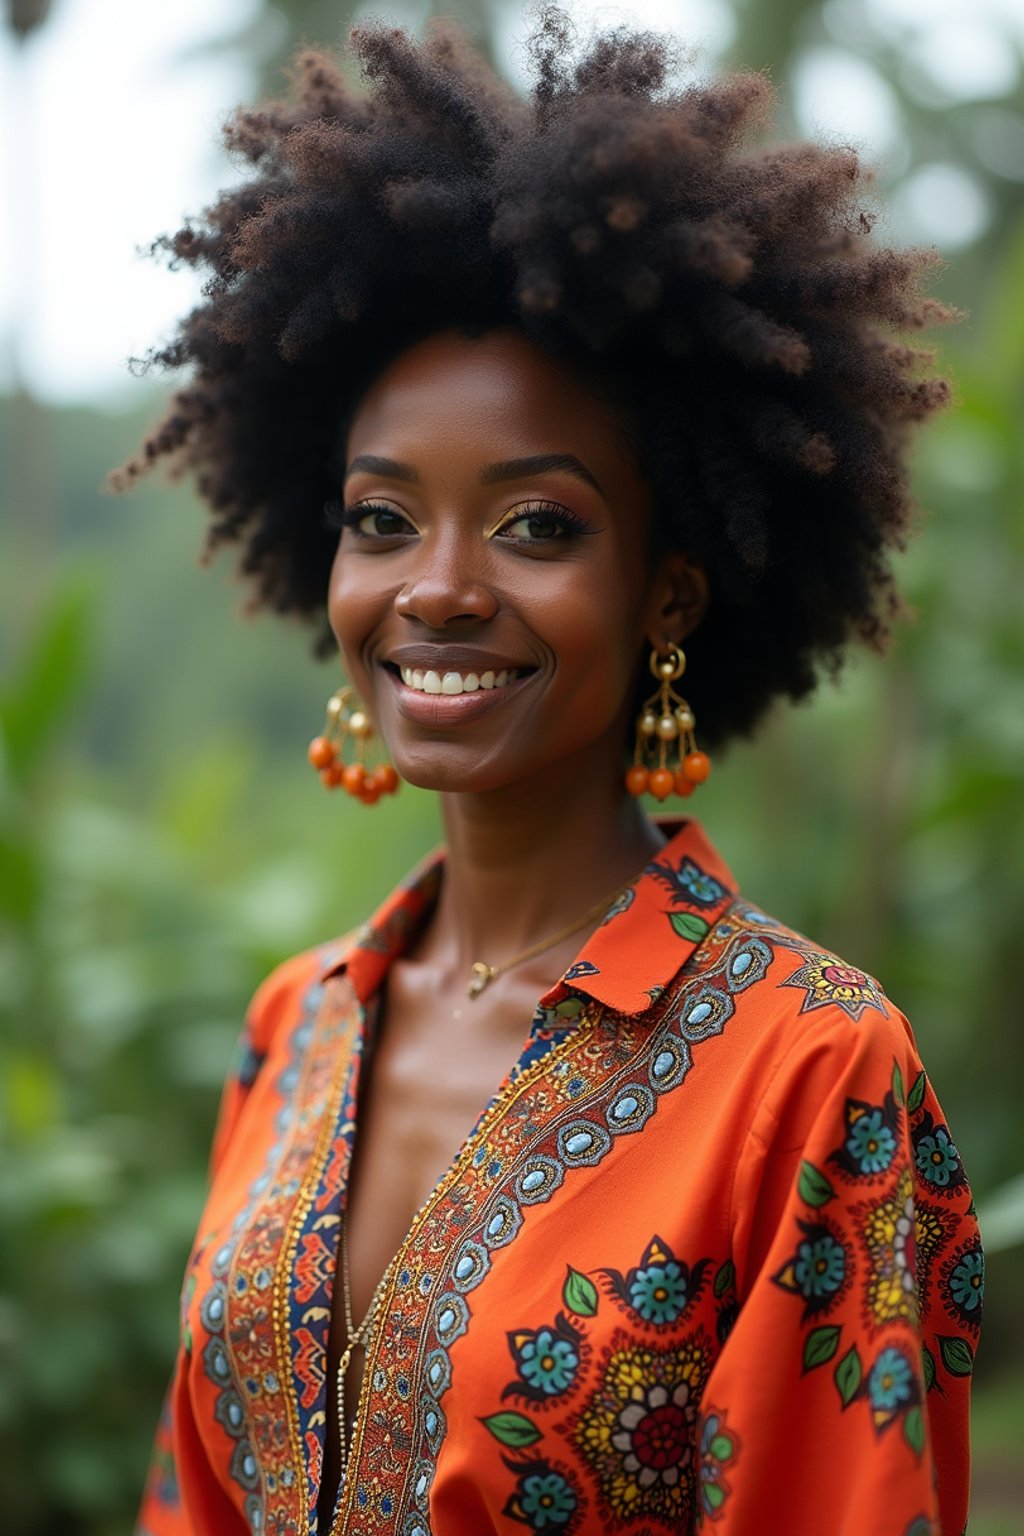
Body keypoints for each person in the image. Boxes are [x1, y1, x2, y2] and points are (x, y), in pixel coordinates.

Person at [121, 11, 981, 1535]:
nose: (437, 587)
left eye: (537, 527)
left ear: (669, 594)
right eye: (382, 518)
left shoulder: (812, 1071)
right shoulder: (298, 1025)